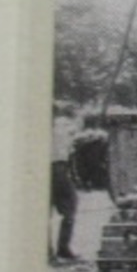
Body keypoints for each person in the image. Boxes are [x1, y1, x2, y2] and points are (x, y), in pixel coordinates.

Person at [49, 101, 79, 262]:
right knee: (69, 207)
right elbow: (69, 151)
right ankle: (63, 247)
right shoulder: (63, 128)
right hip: (58, 168)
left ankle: (47, 251)